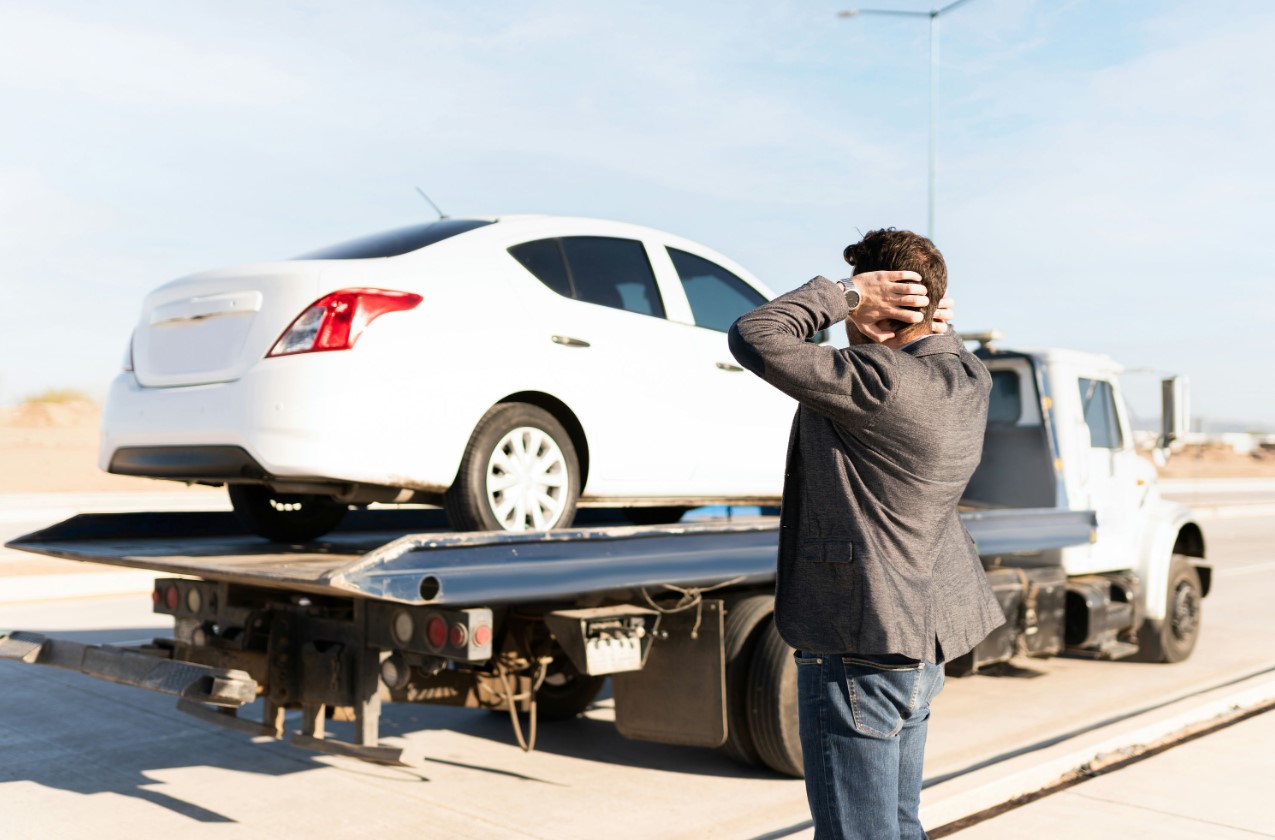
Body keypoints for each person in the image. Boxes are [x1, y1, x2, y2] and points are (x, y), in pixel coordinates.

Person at [727, 228, 1005, 840]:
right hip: (915, 646)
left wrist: (846, 295)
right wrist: (928, 319)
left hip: (860, 643)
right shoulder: (968, 375)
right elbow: (932, 347)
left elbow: (755, 335)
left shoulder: (879, 379)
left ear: (882, 307)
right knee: (899, 826)